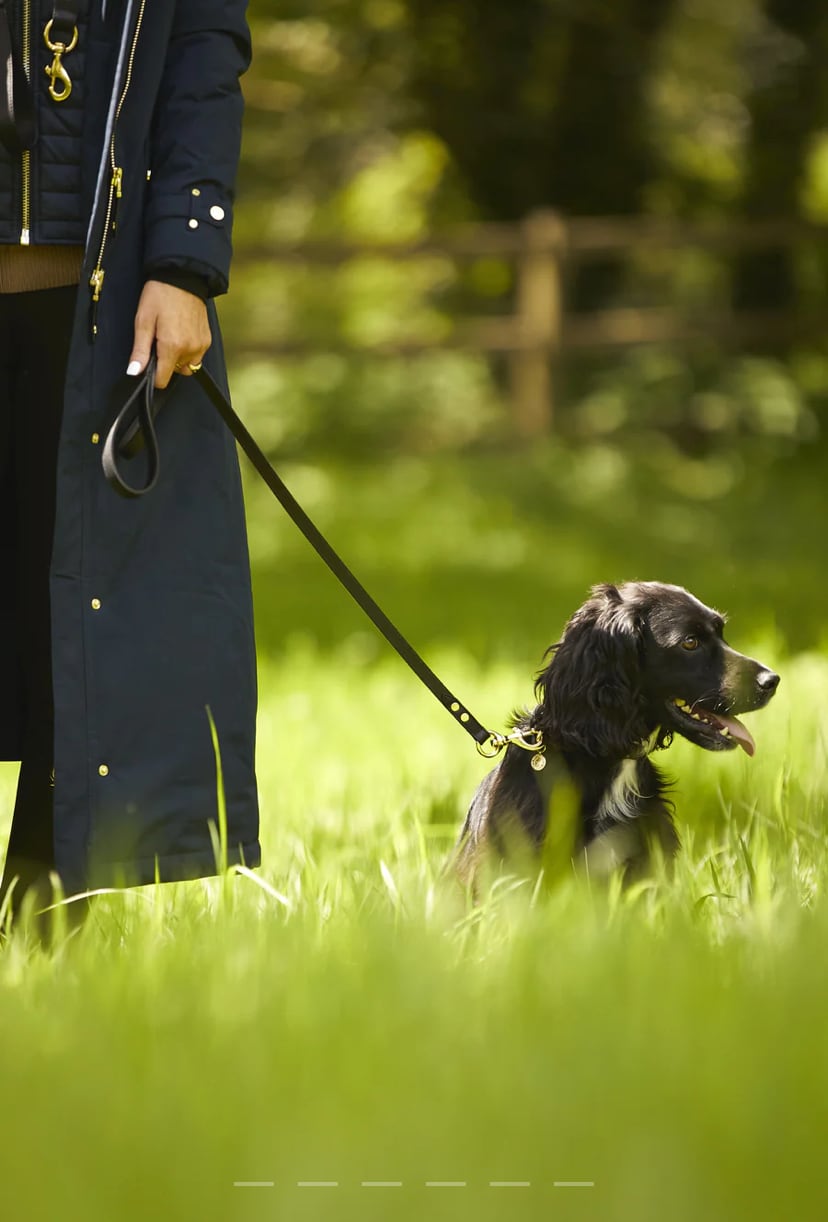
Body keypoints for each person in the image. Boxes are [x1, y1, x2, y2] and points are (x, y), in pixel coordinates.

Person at [0, 0, 260, 933]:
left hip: (96, 311)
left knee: (84, 625)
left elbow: (200, 57)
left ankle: (41, 932)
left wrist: (187, 264)